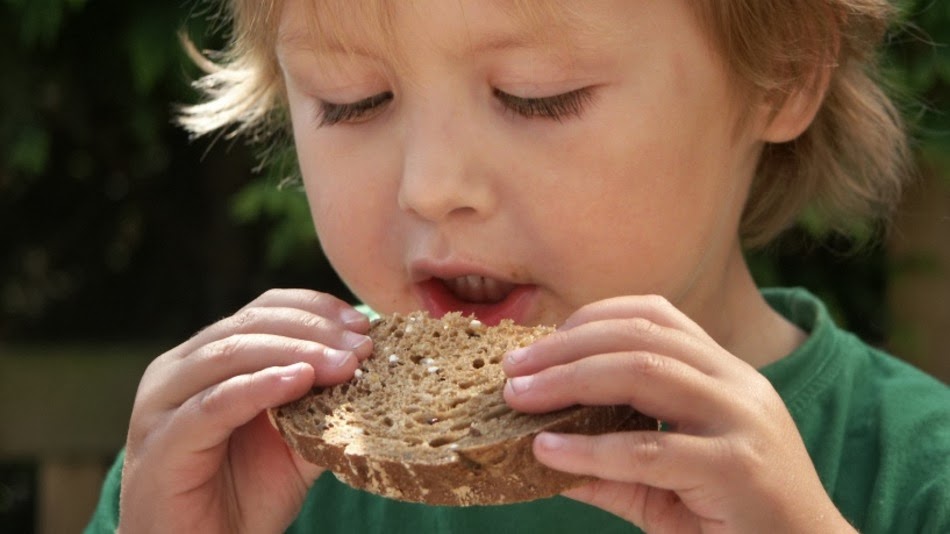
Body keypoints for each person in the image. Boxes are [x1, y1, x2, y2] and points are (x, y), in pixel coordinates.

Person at [87, 0, 949, 532]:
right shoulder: (222, 473)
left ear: (782, 76)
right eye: (352, 101)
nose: (430, 189)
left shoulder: (917, 476)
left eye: (537, 95)